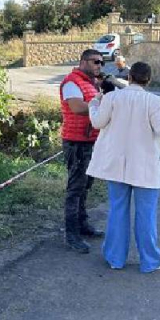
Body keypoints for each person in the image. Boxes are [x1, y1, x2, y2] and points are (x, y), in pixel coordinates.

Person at [87, 62, 160, 272]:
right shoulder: (154, 101)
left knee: (117, 211)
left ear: (129, 77)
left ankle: (115, 258)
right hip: (146, 166)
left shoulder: (111, 98)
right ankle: (150, 261)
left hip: (117, 165)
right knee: (146, 215)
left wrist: (94, 103)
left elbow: (97, 122)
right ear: (148, 80)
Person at [59, 49, 106, 253]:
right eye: (96, 61)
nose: (99, 66)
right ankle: (71, 235)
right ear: (83, 61)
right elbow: (77, 107)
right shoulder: (72, 82)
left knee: (86, 186)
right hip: (76, 142)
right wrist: (102, 104)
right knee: (75, 189)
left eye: (101, 62)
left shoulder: (91, 83)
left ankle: (82, 224)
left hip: (90, 141)